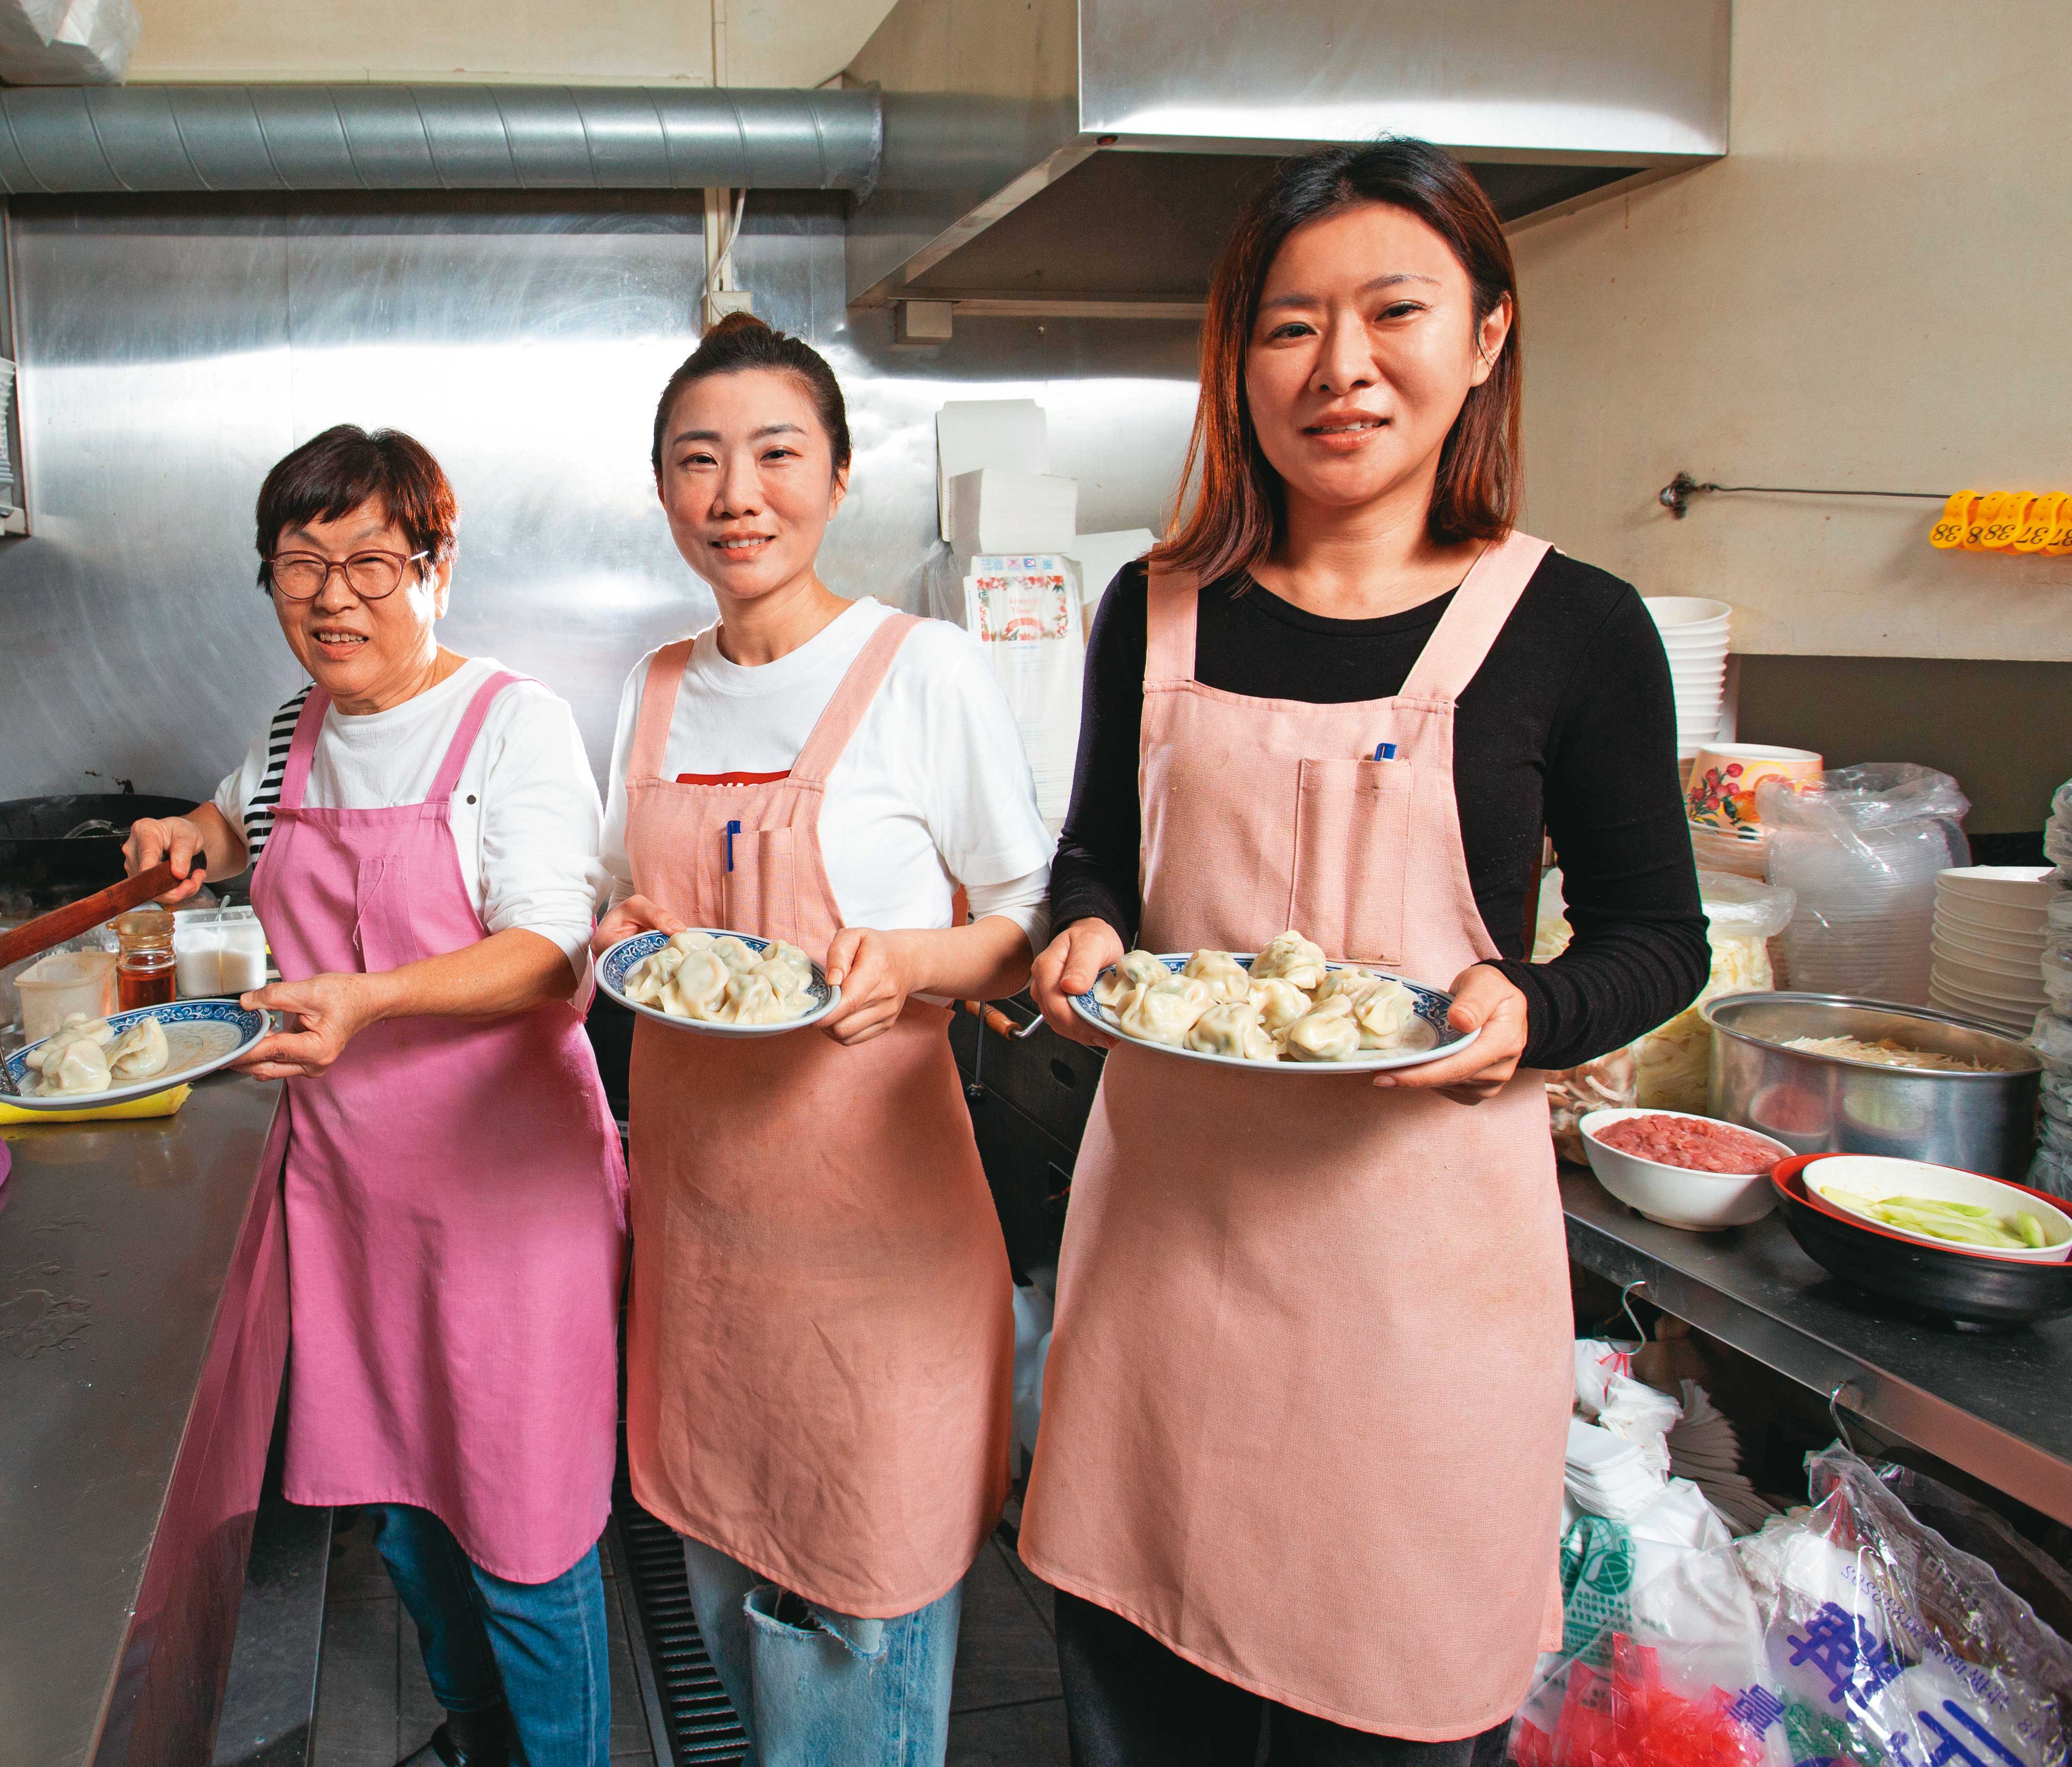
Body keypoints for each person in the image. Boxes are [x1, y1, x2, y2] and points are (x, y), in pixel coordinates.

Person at [1022, 138, 1710, 1762]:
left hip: (1416, 1309)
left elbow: (1653, 938)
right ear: (1237, 361)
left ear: (1485, 336)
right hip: (1165, 1287)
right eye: (1288, 326)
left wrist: (1523, 1009)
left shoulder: (1576, 626)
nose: (1339, 369)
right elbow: (1094, 859)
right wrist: (1085, 934)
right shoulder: (1158, 605)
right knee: (1144, 1701)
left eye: (1393, 311)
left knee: (1387, 1715)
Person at [124, 426, 623, 1767]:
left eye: (370, 563)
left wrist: (369, 997)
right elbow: (245, 820)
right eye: (299, 566)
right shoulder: (294, 730)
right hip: (348, 1195)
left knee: (521, 1533)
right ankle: (475, 1741)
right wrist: (195, 833)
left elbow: (546, 949)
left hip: (502, 1203)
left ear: (435, 566)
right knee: (403, 1516)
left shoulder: (509, 723)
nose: (333, 597)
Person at [593, 313, 1052, 1765]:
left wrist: (906, 962)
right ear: (665, 490)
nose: (738, 492)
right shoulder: (657, 688)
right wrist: (612, 939)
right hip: (708, 1259)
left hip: (878, 1260)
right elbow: (625, 902)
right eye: (699, 459)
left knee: (860, 1648)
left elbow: (1027, 925)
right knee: (737, 1615)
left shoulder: (927, 672)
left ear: (841, 478)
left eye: (777, 453)